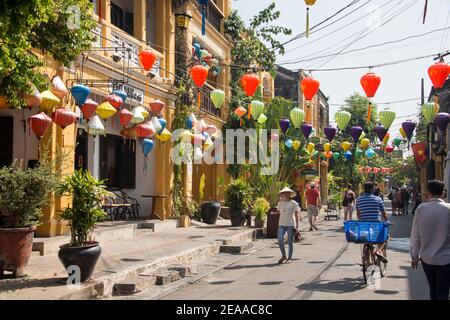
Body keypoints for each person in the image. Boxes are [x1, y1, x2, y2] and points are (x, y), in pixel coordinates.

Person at [410, 180, 450, 300]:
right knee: (443, 292)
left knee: (433, 290)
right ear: (443, 193)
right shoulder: (448, 209)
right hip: (446, 259)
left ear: (429, 193)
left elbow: (415, 235)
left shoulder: (421, 209)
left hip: (427, 258)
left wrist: (414, 256)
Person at [356, 182, 388, 262]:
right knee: (384, 238)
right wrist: (386, 221)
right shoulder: (378, 199)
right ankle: (379, 251)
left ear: (364, 189)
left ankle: (367, 259)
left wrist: (361, 222)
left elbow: (358, 214)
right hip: (375, 226)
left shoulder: (359, 199)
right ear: (372, 189)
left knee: (366, 240)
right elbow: (384, 214)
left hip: (364, 226)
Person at [276, 187, 300, 264]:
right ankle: (283, 256)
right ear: (282, 194)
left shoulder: (294, 203)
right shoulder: (280, 203)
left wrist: (297, 226)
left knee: (290, 242)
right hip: (281, 224)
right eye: (284, 193)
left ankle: (289, 258)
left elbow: (296, 215)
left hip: (290, 224)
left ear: (290, 194)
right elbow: (279, 213)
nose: (286, 194)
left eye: (287, 193)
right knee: (280, 240)